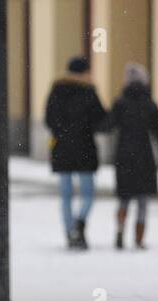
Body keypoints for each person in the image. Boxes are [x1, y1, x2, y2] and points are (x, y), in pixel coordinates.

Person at [44, 56, 107, 250]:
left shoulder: (56, 90)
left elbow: (48, 119)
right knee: (88, 193)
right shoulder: (89, 92)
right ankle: (79, 225)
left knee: (66, 195)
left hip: (62, 148)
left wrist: (61, 133)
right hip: (84, 148)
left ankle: (70, 231)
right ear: (83, 72)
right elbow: (101, 119)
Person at [104, 63, 158, 250]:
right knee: (142, 200)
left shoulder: (120, 103)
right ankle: (139, 239)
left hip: (124, 154)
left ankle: (120, 229)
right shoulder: (150, 104)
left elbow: (107, 125)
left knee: (124, 197)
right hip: (144, 155)